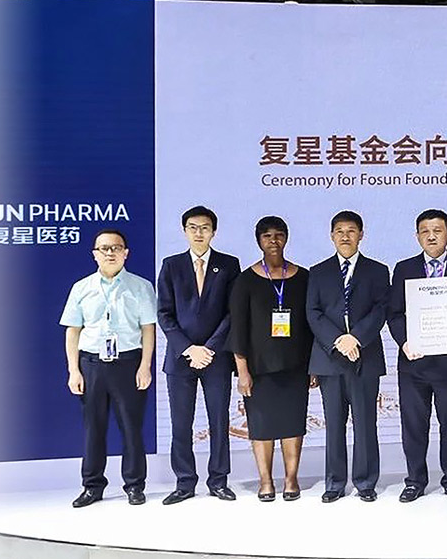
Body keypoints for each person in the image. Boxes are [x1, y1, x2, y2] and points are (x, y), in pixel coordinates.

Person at [60, 229, 158, 508]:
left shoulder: (141, 286)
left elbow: (148, 329)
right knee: (94, 428)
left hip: (129, 364)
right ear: (95, 254)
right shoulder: (81, 288)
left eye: (116, 247)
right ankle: (92, 486)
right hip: (91, 365)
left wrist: (145, 366)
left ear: (126, 253)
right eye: (104, 248)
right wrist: (73, 370)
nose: (110, 253)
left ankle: (135, 485)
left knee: (131, 428)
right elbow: (72, 331)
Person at [387, 209, 447, 502]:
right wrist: (404, 342)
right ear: (417, 236)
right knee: (414, 425)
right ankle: (415, 481)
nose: (431, 236)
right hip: (414, 362)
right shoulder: (404, 269)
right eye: (425, 231)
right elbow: (395, 313)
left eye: (437, 231)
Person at [156, 206, 243, 505]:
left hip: (216, 358)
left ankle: (218, 480)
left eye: (204, 227)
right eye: (193, 227)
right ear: (184, 231)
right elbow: (164, 314)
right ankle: (184, 482)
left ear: (213, 232)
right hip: (180, 358)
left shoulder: (229, 265)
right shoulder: (171, 265)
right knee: (181, 424)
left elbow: (233, 312)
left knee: (219, 421)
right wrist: (189, 348)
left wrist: (209, 348)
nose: (199, 233)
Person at [228, 216, 317, 502]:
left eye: (279, 235)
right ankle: (265, 481)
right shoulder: (245, 280)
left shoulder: (304, 277)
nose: (273, 241)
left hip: (296, 366)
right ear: (259, 241)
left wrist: (313, 366)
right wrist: (242, 370)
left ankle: (291, 479)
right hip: (259, 369)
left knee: (293, 423)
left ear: (286, 238)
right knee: (262, 426)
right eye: (267, 236)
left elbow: (312, 325)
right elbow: (238, 329)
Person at [306, 210, 391, 503]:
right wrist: (338, 340)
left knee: (365, 423)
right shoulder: (318, 272)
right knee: (334, 424)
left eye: (351, 231)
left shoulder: (378, 270)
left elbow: (381, 309)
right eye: (340, 231)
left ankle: (365, 482)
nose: (345, 236)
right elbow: (313, 312)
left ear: (361, 235)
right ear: (332, 236)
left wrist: (355, 338)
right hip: (330, 358)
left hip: (364, 357)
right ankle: (335, 482)